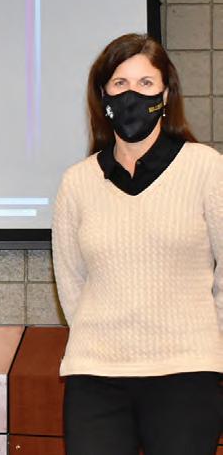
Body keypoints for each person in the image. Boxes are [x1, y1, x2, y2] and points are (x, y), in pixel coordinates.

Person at [53, 33, 222, 455]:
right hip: (96, 375)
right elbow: (71, 283)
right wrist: (105, 334)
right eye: (120, 84)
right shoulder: (77, 181)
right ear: (103, 95)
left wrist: (206, 338)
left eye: (146, 83)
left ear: (165, 94)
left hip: (186, 373)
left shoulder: (206, 168)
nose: (132, 95)